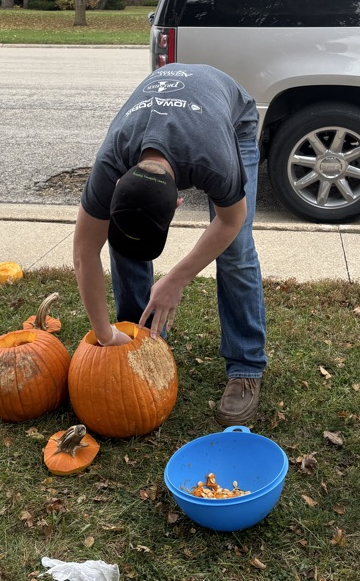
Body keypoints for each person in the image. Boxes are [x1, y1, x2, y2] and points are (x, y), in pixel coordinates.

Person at [73, 64, 267, 426]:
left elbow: (230, 220)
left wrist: (176, 279)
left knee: (235, 250)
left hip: (230, 117)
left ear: (178, 204)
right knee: (124, 244)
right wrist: (103, 332)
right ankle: (136, 340)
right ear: (115, 188)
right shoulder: (108, 165)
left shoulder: (215, 162)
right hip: (160, 117)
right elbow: (85, 253)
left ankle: (246, 365)